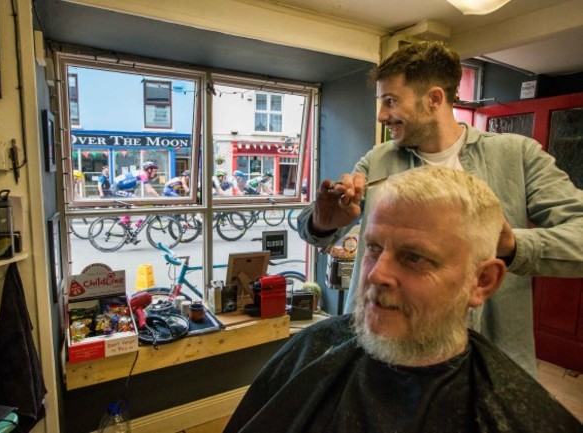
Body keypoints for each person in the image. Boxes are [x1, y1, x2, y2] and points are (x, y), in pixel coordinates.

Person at [297, 41, 583, 376]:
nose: (381, 115)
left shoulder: (518, 156)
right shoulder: (378, 160)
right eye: (381, 101)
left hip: (485, 362)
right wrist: (322, 221)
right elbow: (310, 229)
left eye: (390, 101)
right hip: (387, 354)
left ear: (434, 99)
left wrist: (511, 246)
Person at [226, 167, 581, 433]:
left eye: (414, 257)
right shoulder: (309, 351)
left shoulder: (525, 417)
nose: (377, 274)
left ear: (482, 281)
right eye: (374, 248)